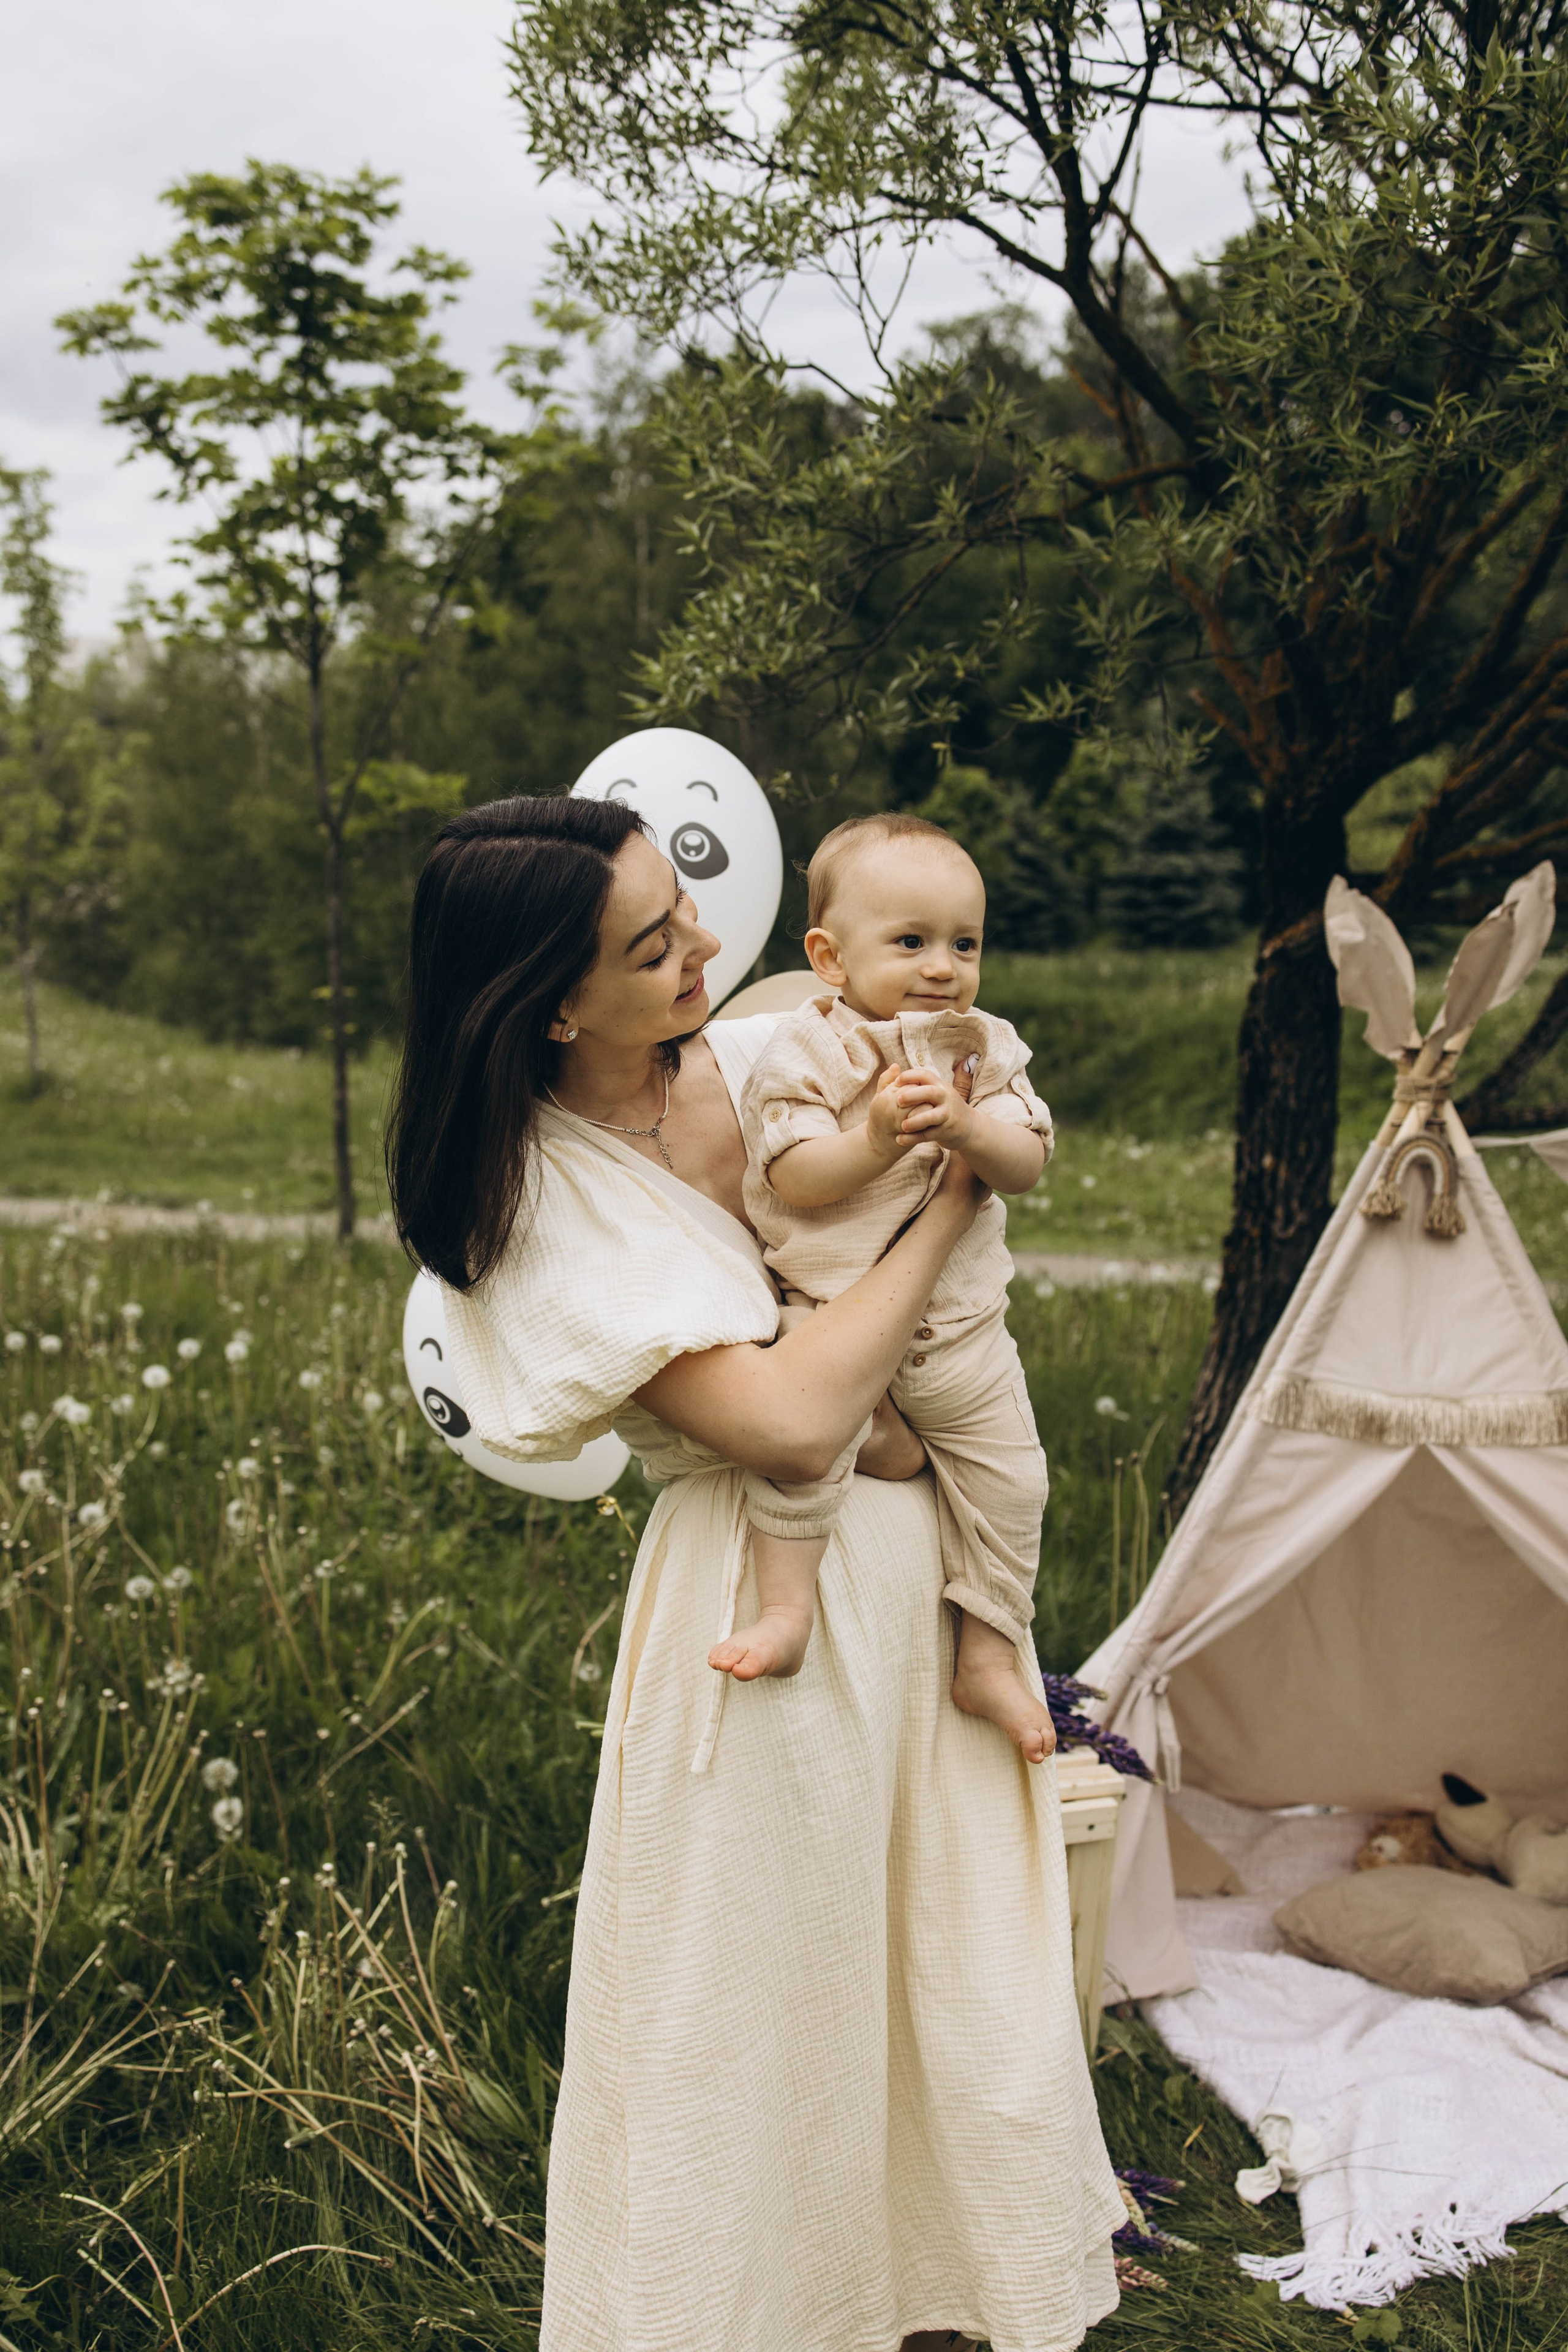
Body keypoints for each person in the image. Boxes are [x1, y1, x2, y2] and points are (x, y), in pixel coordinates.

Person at [386, 792, 1123, 2352]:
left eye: (684, 911)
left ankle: (939, 2301)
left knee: (940, 1971)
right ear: (546, 1003)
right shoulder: (530, 1209)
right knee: (764, 2003)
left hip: (920, 1585)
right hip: (758, 1601)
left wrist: (917, 1412)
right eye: (651, 945)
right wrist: (952, 1201)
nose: (701, 947)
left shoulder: (783, 1034)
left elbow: (945, 1129)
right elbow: (791, 1426)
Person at [712, 812, 1055, 1766]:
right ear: (829, 956)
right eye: (911, 942)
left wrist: (970, 1132)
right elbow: (791, 1175)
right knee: (798, 1460)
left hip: (962, 1336)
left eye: (965, 943)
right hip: (832, 1321)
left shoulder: (981, 1046)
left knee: (1014, 1481)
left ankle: (987, 1649)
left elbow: (1025, 1163)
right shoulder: (805, 1050)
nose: (943, 966)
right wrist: (869, 1144)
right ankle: (785, 1612)